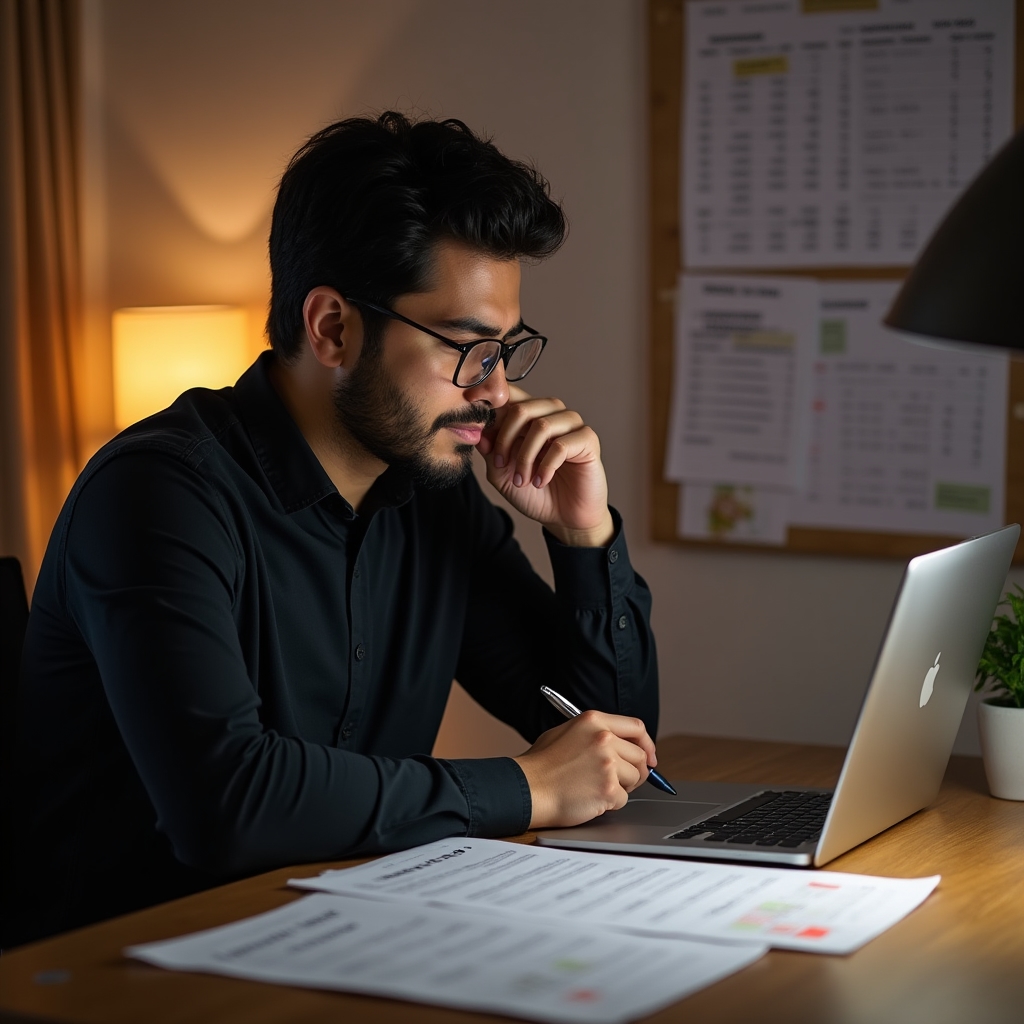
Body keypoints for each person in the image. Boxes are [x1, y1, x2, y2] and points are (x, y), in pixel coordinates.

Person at [2, 113, 659, 948]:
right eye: (468, 349)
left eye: (505, 351)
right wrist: (528, 787)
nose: (495, 392)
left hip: (339, 937)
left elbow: (617, 752)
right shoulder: (156, 496)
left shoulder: (434, 492)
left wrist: (584, 535)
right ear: (333, 327)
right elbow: (229, 806)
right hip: (121, 968)